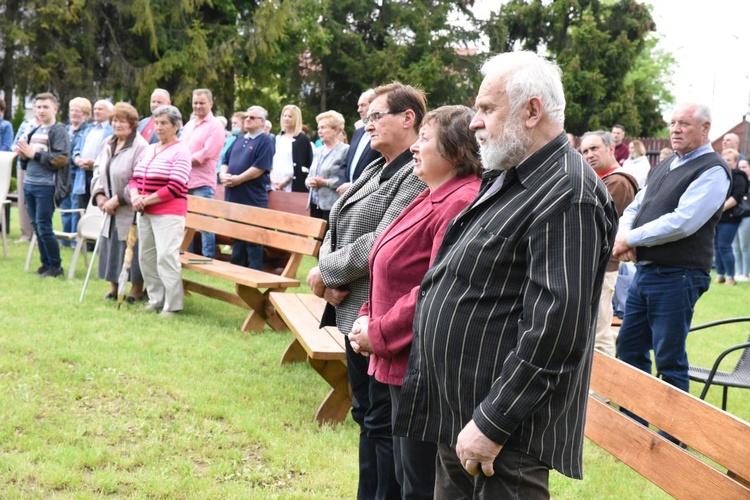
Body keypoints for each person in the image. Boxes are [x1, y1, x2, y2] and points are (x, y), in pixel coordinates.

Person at [394, 51, 617, 498]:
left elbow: (556, 331)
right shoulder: (512, 174)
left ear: (532, 111)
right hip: (462, 412)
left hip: (504, 436)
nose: (475, 122)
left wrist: (492, 423)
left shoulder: (567, 192)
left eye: (486, 108)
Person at [348, 105, 482, 499]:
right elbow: (386, 261)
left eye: (425, 138)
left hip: (420, 365)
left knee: (419, 483)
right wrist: (366, 316)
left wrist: (380, 331)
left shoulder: (459, 201)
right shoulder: (431, 193)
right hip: (398, 358)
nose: (415, 147)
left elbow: (434, 287)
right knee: (404, 475)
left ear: (456, 151)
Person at [306, 82, 427, 500]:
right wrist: (330, 274)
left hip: (378, 315)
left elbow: (383, 239)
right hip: (352, 308)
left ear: (407, 118)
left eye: (376, 116)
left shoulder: (417, 172)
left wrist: (327, 271)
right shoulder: (378, 167)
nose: (367, 124)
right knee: (367, 416)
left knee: (379, 421)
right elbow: (340, 222)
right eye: (367, 117)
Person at [613, 103, 731, 441]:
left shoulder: (713, 170)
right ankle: (633, 424)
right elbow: (637, 205)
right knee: (630, 348)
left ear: (706, 128)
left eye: (684, 123)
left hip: (679, 275)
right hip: (647, 273)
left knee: (669, 357)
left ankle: (672, 435)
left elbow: (683, 221)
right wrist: (625, 235)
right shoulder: (666, 164)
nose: (675, 129)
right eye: (673, 123)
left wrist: (631, 238)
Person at [128, 105, 191, 316]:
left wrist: (146, 200)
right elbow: (135, 178)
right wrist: (136, 196)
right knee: (146, 257)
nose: (159, 127)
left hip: (168, 214)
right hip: (145, 212)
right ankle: (156, 299)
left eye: (164, 123)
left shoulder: (181, 151)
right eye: (156, 123)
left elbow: (175, 186)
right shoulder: (150, 148)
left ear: (175, 126)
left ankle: (172, 305)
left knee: (166, 257)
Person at [580, 131, 638, 357]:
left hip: (604, 265)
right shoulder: (600, 180)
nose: (589, 155)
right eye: (584, 151)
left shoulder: (619, 182)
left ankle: (604, 393)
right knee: (590, 330)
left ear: (611, 149)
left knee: (599, 334)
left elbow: (593, 224)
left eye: (594, 148)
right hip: (592, 264)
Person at [91, 102, 149, 302]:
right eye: (115, 120)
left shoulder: (140, 146)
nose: (118, 125)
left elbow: (140, 178)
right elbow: (98, 170)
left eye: (122, 121)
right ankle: (114, 286)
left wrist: (117, 200)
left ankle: (136, 289)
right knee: (111, 245)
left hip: (129, 206)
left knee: (130, 244)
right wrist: (99, 196)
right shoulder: (108, 142)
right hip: (108, 204)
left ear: (132, 124)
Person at [17, 93, 71, 277]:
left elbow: (62, 158)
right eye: (38, 107)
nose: (41, 110)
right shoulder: (34, 129)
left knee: (44, 225)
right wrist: (24, 156)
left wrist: (34, 155)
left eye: (45, 107)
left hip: (46, 186)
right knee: (36, 226)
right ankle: (45, 265)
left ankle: (56, 267)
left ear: (55, 109)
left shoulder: (58, 130)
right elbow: (28, 156)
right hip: (29, 183)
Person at [220, 106, 274, 270]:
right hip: (234, 196)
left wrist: (239, 179)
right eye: (246, 117)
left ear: (262, 122)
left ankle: (255, 272)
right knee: (237, 238)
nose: (247, 119)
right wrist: (224, 175)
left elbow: (260, 168)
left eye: (252, 117)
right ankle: (236, 271)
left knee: (253, 240)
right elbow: (225, 161)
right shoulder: (239, 139)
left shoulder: (265, 141)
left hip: (252, 198)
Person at [180, 88, 225, 259]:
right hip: (185, 180)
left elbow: (204, 155)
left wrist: (181, 161)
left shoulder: (215, 126)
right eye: (195, 103)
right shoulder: (189, 125)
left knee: (205, 222)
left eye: (202, 103)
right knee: (186, 221)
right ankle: (187, 254)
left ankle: (207, 258)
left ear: (211, 103)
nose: (198, 106)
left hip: (202, 182)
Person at [305, 110, 349, 225]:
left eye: (323, 128)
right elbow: (310, 175)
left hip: (332, 206)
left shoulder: (345, 150)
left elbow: (345, 180)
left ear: (335, 130)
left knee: (328, 240)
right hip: (314, 204)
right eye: (319, 128)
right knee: (316, 241)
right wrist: (309, 181)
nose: (319, 131)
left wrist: (325, 182)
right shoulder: (318, 151)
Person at [714, 148, 748, 286]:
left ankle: (730, 276)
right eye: (724, 159)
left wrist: (721, 207)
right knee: (716, 246)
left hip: (731, 216)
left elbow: (737, 195)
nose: (726, 162)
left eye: (729, 160)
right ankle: (720, 274)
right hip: (718, 217)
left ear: (735, 162)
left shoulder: (739, 175)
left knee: (725, 246)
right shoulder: (719, 175)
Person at [337, 89, 382, 194]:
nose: (359, 110)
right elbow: (345, 163)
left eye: (362, 105)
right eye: (358, 106)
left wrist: (353, 185)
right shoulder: (358, 132)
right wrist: (343, 184)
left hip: (367, 194)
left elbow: (381, 167)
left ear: (373, 105)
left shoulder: (381, 134)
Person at [60, 97, 92, 241]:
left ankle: (75, 239)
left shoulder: (87, 130)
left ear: (85, 114)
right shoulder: (65, 129)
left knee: (76, 207)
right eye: (72, 110)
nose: (73, 113)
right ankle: (65, 239)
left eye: (77, 111)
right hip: (62, 173)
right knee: (64, 207)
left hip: (78, 174)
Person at [72, 99, 113, 210]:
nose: (96, 111)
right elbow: (76, 149)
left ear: (110, 112)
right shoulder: (88, 129)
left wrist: (96, 163)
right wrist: (77, 160)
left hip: (100, 175)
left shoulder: (112, 130)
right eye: (95, 108)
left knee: (97, 211)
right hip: (82, 175)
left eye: (100, 109)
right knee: (80, 211)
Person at [271, 104, 313, 192]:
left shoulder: (301, 139)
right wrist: (273, 180)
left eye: (290, 116)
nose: (286, 118)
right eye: (284, 116)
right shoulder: (278, 138)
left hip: (292, 185)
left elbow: (302, 164)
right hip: (275, 183)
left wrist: (285, 182)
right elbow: (273, 161)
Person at [216, 111, 245, 202]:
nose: (233, 125)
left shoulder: (244, 140)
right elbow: (223, 156)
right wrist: (220, 172)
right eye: (232, 123)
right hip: (222, 175)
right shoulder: (232, 139)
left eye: (236, 123)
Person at [733, 159, 750, 281]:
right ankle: (738, 272)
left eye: (744, 166)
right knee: (736, 246)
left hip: (747, 216)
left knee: (745, 246)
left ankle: (746, 273)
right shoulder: (739, 182)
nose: (742, 169)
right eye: (740, 167)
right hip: (736, 216)